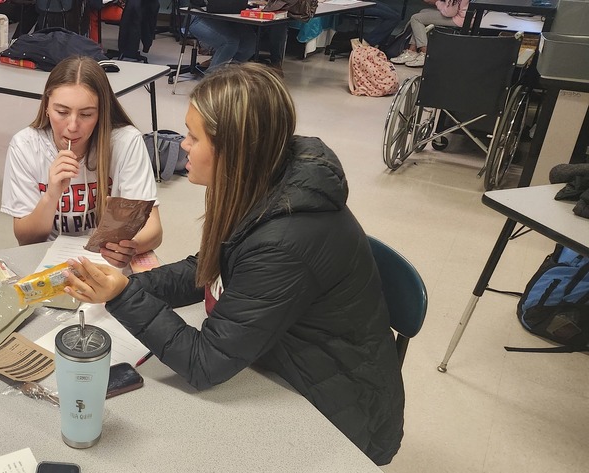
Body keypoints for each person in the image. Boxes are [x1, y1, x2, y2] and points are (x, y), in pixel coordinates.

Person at [63, 63, 406, 465]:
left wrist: (123, 298)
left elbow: (204, 363)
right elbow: (212, 267)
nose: (183, 146)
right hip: (280, 362)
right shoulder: (264, 180)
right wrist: (131, 287)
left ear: (234, 150)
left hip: (329, 407)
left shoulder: (286, 242)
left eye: (193, 136)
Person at [1, 56, 163, 268]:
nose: (72, 126)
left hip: (106, 261)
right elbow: (26, 239)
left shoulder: (125, 142)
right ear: (47, 106)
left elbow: (154, 231)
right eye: (62, 112)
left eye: (86, 114)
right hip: (49, 259)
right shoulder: (25, 146)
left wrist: (126, 248)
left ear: (101, 113)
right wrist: (51, 195)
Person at [390, 0, 469, 67]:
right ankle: (412, 51)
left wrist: (437, 2)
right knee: (423, 12)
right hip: (466, 17)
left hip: (460, 19)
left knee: (416, 18)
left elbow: (449, 12)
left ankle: (424, 52)